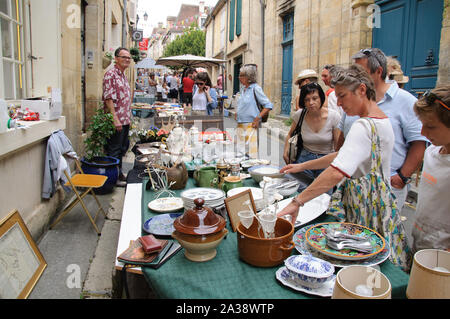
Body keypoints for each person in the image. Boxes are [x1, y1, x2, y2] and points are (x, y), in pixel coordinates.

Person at [278, 64, 411, 271]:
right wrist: (303, 165)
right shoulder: (381, 120)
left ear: (362, 90)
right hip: (378, 205)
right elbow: (343, 155)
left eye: (342, 96)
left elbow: (336, 171)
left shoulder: (362, 126)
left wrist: (298, 201)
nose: (338, 103)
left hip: (363, 207)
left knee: (358, 263)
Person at [337, 48, 427, 211]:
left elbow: (419, 143)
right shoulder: (351, 100)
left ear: (378, 71)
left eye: (359, 72)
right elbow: (342, 136)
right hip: (353, 186)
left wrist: (401, 177)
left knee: (380, 234)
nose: (353, 77)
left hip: (386, 188)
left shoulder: (405, 101)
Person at [411, 85, 450, 254]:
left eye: (431, 127)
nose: (423, 132)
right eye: (422, 124)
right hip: (420, 243)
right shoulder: (431, 152)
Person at [282, 82, 341, 191]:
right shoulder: (299, 115)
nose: (311, 103)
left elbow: (337, 148)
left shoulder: (334, 117)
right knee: (297, 190)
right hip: (305, 158)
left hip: (326, 160)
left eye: (315, 98)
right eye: (307, 100)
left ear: (321, 98)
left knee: (323, 195)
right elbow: (290, 133)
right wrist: (286, 149)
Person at [102, 47, 132, 187]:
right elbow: (108, 99)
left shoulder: (123, 75)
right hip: (117, 120)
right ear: (116, 58)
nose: (127, 59)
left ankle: (119, 173)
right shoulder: (111, 75)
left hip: (125, 119)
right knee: (114, 150)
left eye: (128, 58)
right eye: (124, 57)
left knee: (122, 149)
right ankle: (113, 179)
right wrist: (115, 118)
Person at [236, 64, 273, 158]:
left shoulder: (255, 88)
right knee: (240, 153)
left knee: (251, 154)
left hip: (251, 125)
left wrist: (257, 118)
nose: (239, 77)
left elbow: (268, 105)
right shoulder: (243, 89)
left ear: (249, 77)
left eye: (241, 75)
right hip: (240, 124)